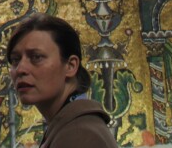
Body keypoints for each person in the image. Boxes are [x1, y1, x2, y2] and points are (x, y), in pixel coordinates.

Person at [7, 13, 117, 148]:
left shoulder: (79, 135)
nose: (20, 69)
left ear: (71, 66)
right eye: (15, 60)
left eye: (36, 57)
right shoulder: (70, 127)